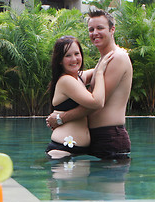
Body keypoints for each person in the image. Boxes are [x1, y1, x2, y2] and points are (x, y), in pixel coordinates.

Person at [46, 9, 133, 160]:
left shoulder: (117, 58)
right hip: (96, 138)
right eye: (91, 29)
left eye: (100, 28)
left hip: (109, 135)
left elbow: (97, 103)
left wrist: (61, 118)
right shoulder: (104, 61)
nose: (95, 33)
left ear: (112, 29)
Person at [45, 36, 114, 159]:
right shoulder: (65, 80)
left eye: (77, 54)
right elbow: (97, 102)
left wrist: (116, 53)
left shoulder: (79, 78)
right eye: (68, 55)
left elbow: (102, 67)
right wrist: (99, 73)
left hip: (78, 152)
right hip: (62, 151)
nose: (74, 59)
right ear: (60, 60)